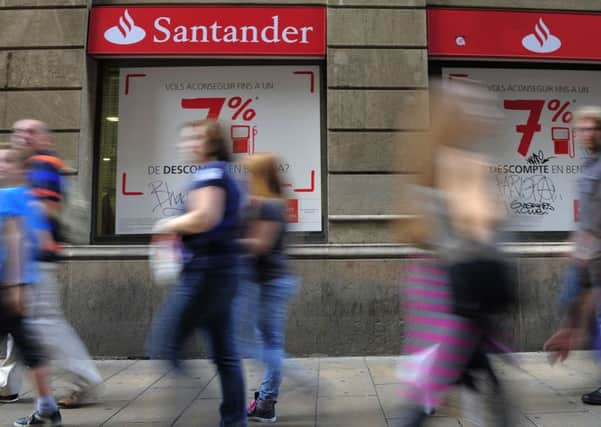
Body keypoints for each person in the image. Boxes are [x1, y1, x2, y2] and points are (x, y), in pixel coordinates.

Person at [397, 80, 512, 426]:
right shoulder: (462, 162)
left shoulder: (426, 163)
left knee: (468, 379)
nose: (487, 114)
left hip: (436, 285)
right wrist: (491, 197)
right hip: (461, 292)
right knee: (434, 387)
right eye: (476, 108)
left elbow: (419, 232)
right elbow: (477, 222)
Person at [147, 119, 247, 427]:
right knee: (225, 353)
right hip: (221, 269)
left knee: (163, 344)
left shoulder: (212, 174)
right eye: (186, 138)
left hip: (206, 272)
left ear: (213, 144)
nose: (188, 144)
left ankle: (194, 406)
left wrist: (166, 224)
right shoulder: (219, 173)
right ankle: (233, 420)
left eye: (196, 138)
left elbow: (205, 218)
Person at [0, 119, 102, 408]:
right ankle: (8, 384)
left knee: (45, 324)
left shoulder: (43, 164)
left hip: (34, 261)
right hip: (26, 262)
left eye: (30, 131)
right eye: (18, 131)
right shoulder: (33, 167)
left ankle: (86, 380)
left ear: (45, 137)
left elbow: (43, 210)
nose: (22, 136)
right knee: (24, 325)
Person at [0, 144, 62, 426]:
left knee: (29, 347)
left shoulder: (10, 196)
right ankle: (47, 408)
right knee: (29, 348)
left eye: (8, 160)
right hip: (19, 283)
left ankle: (47, 409)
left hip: (8, 285)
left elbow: (17, 239)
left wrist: (15, 285)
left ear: (22, 169)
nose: (2, 165)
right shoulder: (28, 198)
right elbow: (42, 236)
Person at [235, 153, 299, 423]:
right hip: (264, 282)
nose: (243, 178)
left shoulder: (270, 206)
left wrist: (222, 244)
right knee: (263, 342)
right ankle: (265, 400)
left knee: (265, 344)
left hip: (270, 284)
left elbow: (260, 245)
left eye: (248, 173)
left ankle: (271, 398)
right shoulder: (263, 204)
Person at [543, 107, 601, 405]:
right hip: (588, 252)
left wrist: (586, 240)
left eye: (594, 128)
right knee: (579, 310)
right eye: (582, 128)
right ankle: (569, 336)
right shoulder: (588, 164)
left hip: (595, 251)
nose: (587, 133)